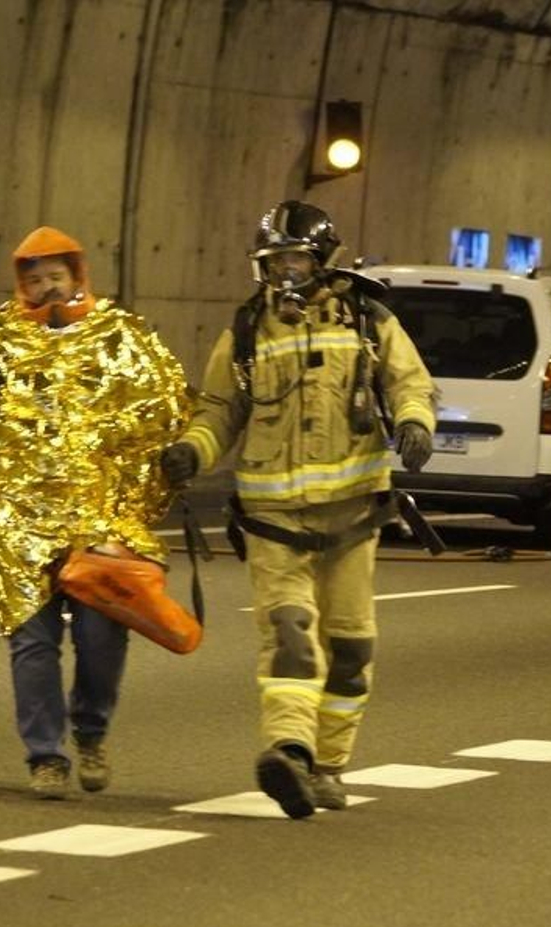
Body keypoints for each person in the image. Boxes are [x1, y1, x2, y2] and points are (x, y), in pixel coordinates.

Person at [160, 201, 436, 819]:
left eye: (295, 258)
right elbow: (220, 411)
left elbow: (409, 383)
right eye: (275, 260)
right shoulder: (247, 331)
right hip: (273, 520)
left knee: (351, 647)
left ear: (322, 260)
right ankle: (291, 751)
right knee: (288, 635)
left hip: (352, 518)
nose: (285, 271)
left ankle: (331, 764)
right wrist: (190, 451)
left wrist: (416, 424)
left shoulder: (367, 319)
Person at [0, 227, 135, 800]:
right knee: (32, 644)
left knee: (101, 637)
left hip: (97, 520)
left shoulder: (116, 337)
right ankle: (45, 756)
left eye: (55, 276)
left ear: (77, 277)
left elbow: (145, 416)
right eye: (34, 280)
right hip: (23, 522)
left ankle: (91, 730)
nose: (46, 289)